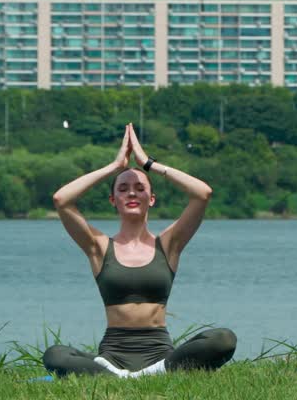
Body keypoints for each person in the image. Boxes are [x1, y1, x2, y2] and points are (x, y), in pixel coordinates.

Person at [42, 123, 236, 378]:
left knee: (223, 339)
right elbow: (62, 200)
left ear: (151, 199)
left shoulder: (168, 244)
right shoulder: (99, 247)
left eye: (140, 188)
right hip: (110, 359)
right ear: (113, 200)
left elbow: (202, 193)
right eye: (122, 189)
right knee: (55, 355)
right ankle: (121, 377)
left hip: (161, 356)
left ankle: (153, 372)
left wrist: (148, 164)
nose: (131, 192)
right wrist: (114, 167)